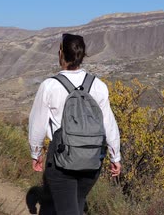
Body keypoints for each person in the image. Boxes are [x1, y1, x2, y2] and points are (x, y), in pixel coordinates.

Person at [28, 33, 122, 215]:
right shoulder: (98, 86)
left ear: (61, 53)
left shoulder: (49, 86)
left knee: (67, 208)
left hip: (61, 162)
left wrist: (36, 153)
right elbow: (108, 124)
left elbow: (37, 124)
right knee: (76, 203)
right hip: (92, 160)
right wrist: (115, 157)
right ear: (82, 55)